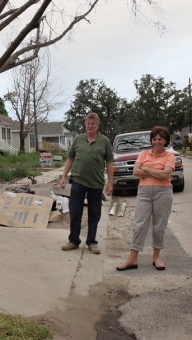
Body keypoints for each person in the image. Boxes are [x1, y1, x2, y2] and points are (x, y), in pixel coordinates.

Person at [116, 126, 175, 271]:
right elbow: (136, 171)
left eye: (160, 139)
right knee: (139, 224)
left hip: (163, 192)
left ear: (165, 140)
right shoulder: (143, 153)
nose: (156, 142)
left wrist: (146, 170)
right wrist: (156, 171)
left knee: (159, 226)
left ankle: (156, 257)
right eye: (154, 139)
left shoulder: (170, 157)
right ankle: (132, 258)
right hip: (144, 192)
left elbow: (165, 175)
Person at [60, 112, 113, 254]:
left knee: (94, 214)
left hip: (96, 184)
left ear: (97, 125)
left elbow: (109, 162)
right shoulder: (78, 140)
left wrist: (110, 183)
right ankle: (73, 240)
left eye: (93, 124)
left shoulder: (104, 142)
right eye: (88, 123)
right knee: (75, 212)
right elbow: (70, 159)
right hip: (78, 182)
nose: (90, 126)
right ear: (85, 124)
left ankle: (91, 242)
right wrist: (64, 176)